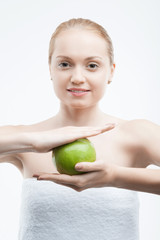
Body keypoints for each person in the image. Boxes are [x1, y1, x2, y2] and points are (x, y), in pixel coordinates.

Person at [0, 18, 160, 240]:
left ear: (111, 72)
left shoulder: (137, 134)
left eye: (92, 65)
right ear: (50, 69)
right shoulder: (25, 138)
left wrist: (115, 176)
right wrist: (32, 142)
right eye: (65, 64)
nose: (77, 78)